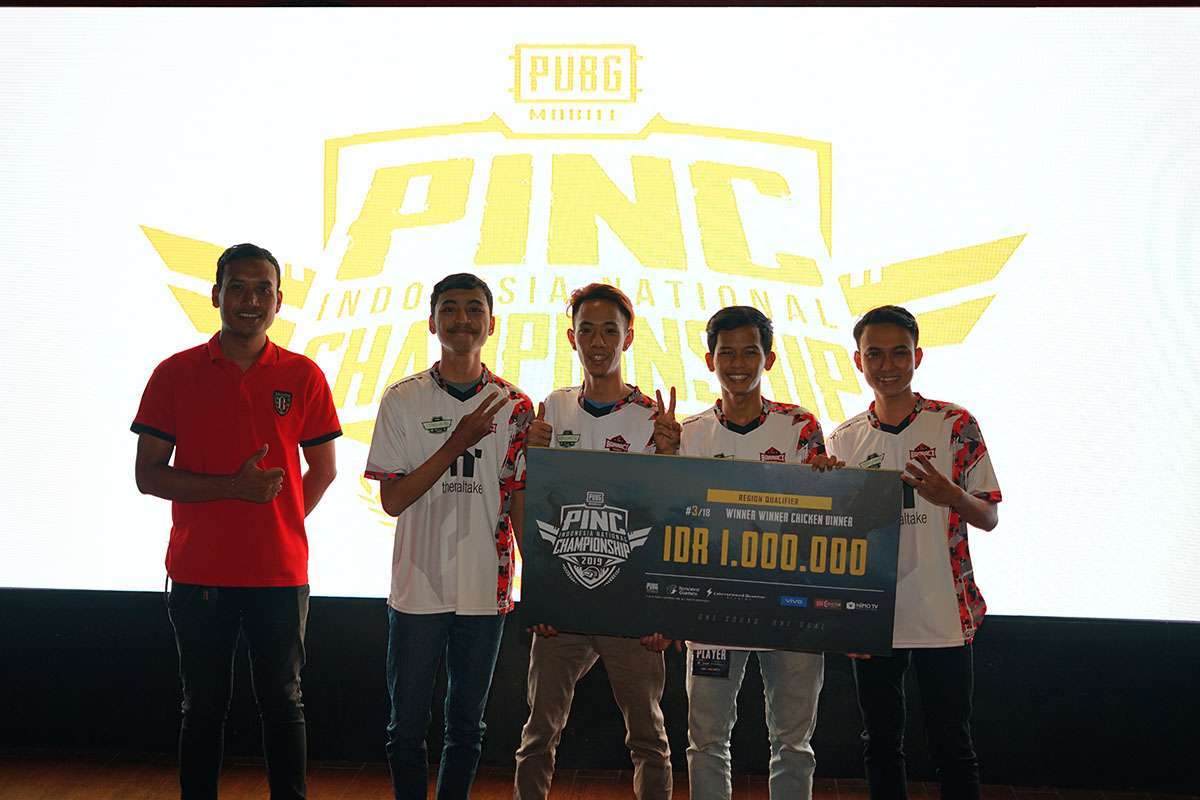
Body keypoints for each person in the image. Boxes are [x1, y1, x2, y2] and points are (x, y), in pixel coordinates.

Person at [132, 242, 341, 800]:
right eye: (238, 288)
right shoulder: (175, 373)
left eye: (262, 289)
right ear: (216, 295)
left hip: (279, 573)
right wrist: (233, 490)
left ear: (279, 300)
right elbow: (148, 476)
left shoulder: (303, 374)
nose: (251, 300)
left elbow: (324, 469)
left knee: (284, 703)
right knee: (202, 706)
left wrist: (277, 518)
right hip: (199, 571)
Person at [365, 273, 533, 800]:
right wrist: (456, 442)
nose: (463, 319)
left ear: (491, 323)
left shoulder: (516, 405)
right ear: (432, 322)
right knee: (406, 727)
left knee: (466, 727)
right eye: (451, 309)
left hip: (485, 587)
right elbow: (393, 500)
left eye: (474, 309)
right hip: (418, 586)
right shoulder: (403, 399)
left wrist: (544, 581)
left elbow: (519, 499)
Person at [825, 304, 1001, 800]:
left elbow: (988, 517)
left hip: (942, 610)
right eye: (874, 354)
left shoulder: (955, 424)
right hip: (874, 614)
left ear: (917, 356)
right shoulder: (843, 440)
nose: (888, 365)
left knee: (953, 744)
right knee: (880, 742)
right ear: (858, 361)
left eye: (899, 353)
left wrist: (953, 496)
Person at [513, 283, 680, 800]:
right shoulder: (551, 409)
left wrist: (662, 609)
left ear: (628, 338)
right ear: (572, 338)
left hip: (630, 606)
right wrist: (541, 592)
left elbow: (670, 518)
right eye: (587, 330)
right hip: (562, 603)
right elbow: (530, 503)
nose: (598, 341)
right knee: (538, 735)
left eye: (610, 330)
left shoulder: (653, 418)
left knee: (648, 737)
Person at [676, 306, 836, 800]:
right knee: (706, 740)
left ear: (768, 359)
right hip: (712, 608)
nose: (739, 364)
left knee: (793, 741)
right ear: (710, 360)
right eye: (727, 353)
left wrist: (831, 486)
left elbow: (822, 515)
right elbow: (674, 520)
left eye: (750, 352)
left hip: (791, 605)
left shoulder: (800, 426)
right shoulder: (690, 432)